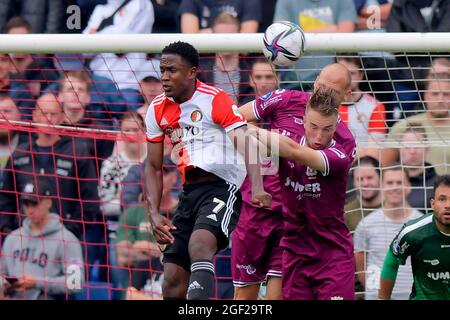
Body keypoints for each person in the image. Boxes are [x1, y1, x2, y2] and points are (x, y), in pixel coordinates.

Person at [144, 41, 271, 300]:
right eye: (162, 70)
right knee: (171, 280)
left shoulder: (215, 100)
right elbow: (153, 165)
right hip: (189, 193)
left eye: (172, 71)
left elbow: (245, 141)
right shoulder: (156, 109)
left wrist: (257, 186)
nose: (165, 77)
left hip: (223, 187)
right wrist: (154, 213)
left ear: (192, 72)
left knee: (200, 244)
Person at [235, 63, 355, 300]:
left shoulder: (344, 143)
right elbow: (237, 125)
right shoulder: (287, 99)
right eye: (321, 85)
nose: (318, 135)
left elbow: (292, 150)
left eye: (332, 91)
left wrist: (245, 130)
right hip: (263, 218)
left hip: (314, 240)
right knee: (243, 297)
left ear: (346, 96)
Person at [0, 93, 100, 240]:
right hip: (24, 238)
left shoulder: (77, 152)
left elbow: (89, 200)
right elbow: (6, 198)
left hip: (64, 239)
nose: (48, 118)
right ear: (34, 116)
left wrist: (70, 232)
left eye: (53, 114)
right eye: (43, 113)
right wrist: (9, 230)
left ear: (61, 117)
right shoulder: (20, 154)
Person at [0, 178, 84, 300]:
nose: (30, 210)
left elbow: (75, 283)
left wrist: (37, 283)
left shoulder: (68, 240)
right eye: (26, 204)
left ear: (48, 202)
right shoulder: (12, 238)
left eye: (35, 203)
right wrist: (5, 284)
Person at [354, 165, 422, 300]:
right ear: (381, 186)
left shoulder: (420, 224)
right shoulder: (365, 225)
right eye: (390, 183)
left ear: (408, 186)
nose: (395, 187)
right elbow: (361, 270)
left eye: (400, 182)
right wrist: (375, 292)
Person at [379, 174, 450, 300]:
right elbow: (391, 262)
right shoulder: (413, 232)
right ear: (433, 204)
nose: (448, 205)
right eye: (442, 199)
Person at [274, 0, 357, 90]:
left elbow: (344, 35)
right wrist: (330, 30)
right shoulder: (285, 1)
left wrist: (297, 35)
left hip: (333, 79)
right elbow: (281, 38)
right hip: (296, 78)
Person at [384, 73, 450, 175]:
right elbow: (384, 167)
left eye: (446, 94)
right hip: (412, 189)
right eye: (435, 93)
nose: (440, 99)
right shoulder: (404, 126)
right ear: (425, 95)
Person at [400, 126, 438, 213]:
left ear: (427, 149)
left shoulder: (438, 184)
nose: (412, 151)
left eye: (417, 146)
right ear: (400, 149)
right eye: (407, 146)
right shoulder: (390, 183)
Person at [345, 155, 382, 232]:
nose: (365, 183)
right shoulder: (346, 213)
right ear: (354, 183)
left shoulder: (393, 207)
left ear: (380, 177)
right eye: (360, 179)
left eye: (369, 178)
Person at [179, 0, 261, 33]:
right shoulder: (191, 1)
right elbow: (190, 43)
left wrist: (202, 33)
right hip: (200, 63)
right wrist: (231, 32)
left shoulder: (249, 1)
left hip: (238, 64)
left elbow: (246, 46)